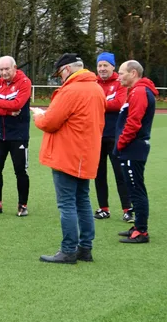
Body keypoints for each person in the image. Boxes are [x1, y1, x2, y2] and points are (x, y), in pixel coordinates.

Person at [32, 53, 105, 264]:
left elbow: (50, 122)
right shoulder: (96, 88)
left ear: (66, 70)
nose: (60, 77)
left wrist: (38, 115)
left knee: (67, 204)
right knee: (83, 201)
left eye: (60, 73)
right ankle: (85, 248)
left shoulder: (71, 90)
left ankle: (68, 249)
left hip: (67, 153)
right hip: (86, 152)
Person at [0, 56, 32, 216]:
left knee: (20, 171)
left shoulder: (24, 82)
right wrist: (7, 111)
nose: (4, 72)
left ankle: (22, 205)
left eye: (7, 69)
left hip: (19, 135)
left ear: (14, 67)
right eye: (1, 69)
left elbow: (18, 104)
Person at [115, 60, 158, 244]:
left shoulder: (140, 92)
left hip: (134, 147)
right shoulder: (136, 91)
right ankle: (138, 225)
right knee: (134, 189)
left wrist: (120, 144)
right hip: (132, 147)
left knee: (136, 189)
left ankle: (141, 231)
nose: (119, 76)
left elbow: (133, 123)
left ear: (133, 73)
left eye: (122, 73)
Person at [93, 52, 133, 221]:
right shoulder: (93, 83)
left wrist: (94, 105)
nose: (102, 69)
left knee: (120, 174)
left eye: (105, 65)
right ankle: (104, 208)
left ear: (113, 67)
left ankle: (127, 209)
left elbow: (118, 104)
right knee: (98, 174)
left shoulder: (120, 82)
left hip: (116, 136)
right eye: (100, 65)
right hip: (96, 136)